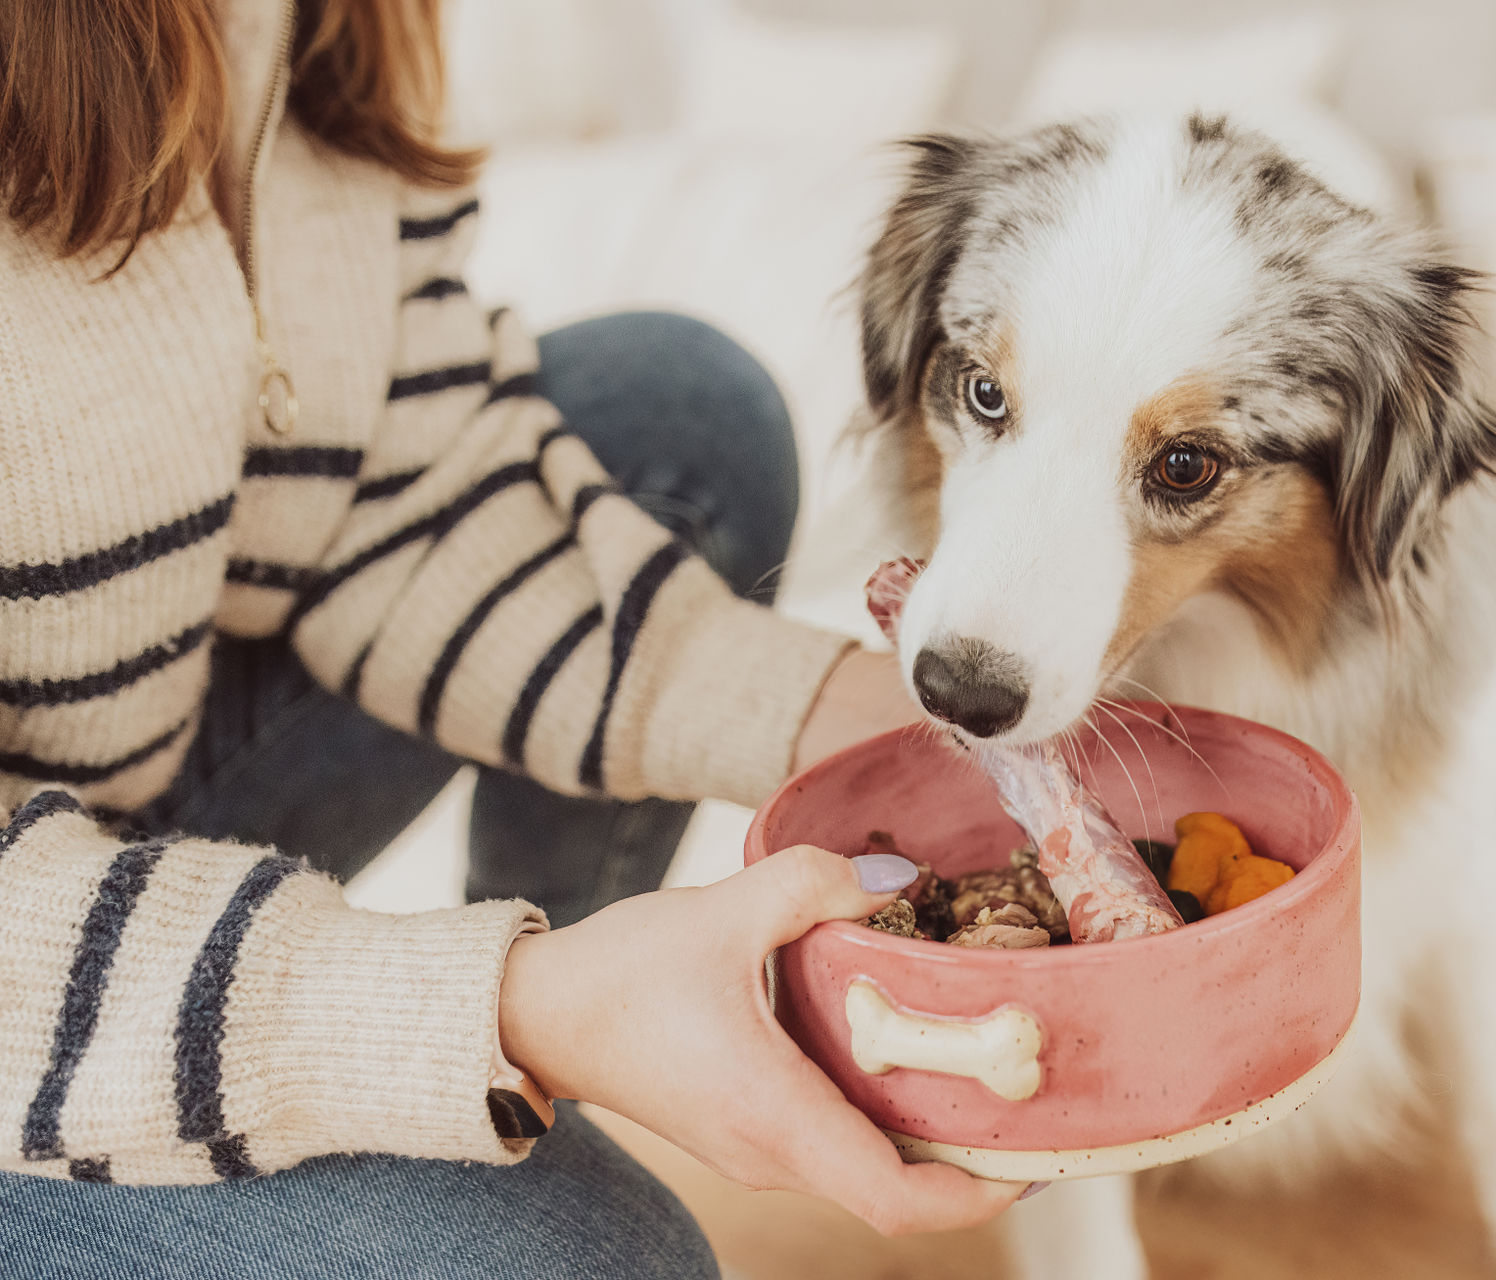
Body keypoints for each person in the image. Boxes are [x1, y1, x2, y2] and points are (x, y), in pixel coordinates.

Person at [0, 1, 1024, 1274]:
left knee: (672, 418)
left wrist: (829, 706)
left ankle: (577, 1051)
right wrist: (491, 1007)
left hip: (99, 790)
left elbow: (388, 486)